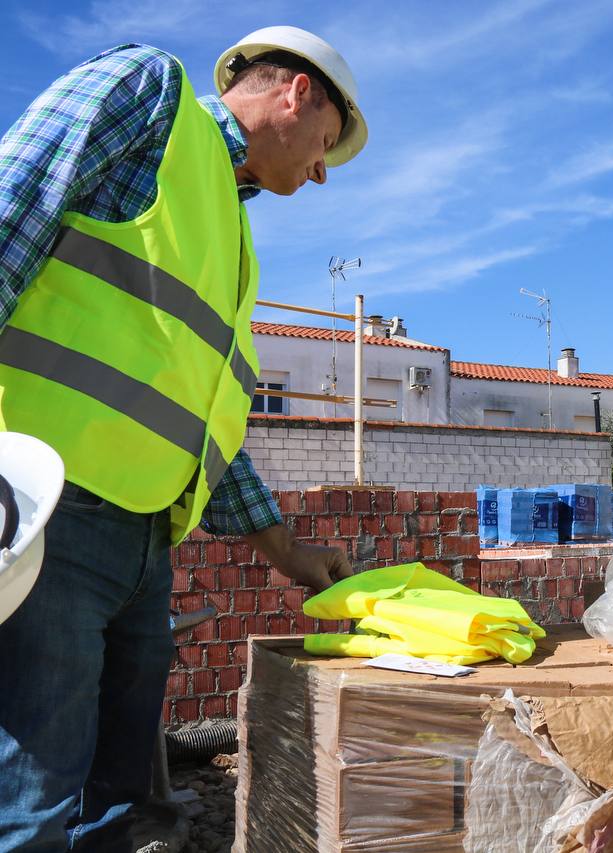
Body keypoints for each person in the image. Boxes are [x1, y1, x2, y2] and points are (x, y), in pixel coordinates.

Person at [0, 26, 368, 850]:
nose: (317, 172)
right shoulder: (148, 96)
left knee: (125, 806)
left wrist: (288, 552)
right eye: (325, 149)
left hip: (144, 540)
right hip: (48, 510)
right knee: (31, 806)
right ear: (297, 94)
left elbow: (205, 427)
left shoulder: (233, 242)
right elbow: (6, 215)